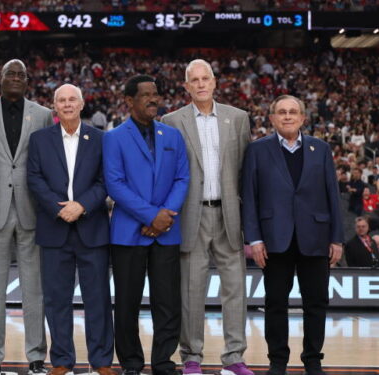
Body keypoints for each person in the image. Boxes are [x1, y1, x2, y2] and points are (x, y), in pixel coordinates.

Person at [160, 59, 253, 375]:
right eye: (193, 80)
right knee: (191, 290)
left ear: (215, 82)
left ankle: (234, 357)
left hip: (229, 215)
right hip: (191, 215)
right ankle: (191, 357)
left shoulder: (238, 119)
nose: (200, 84)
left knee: (235, 289)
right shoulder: (171, 121)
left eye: (205, 78)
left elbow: (244, 172)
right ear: (185, 86)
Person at [242, 95, 343, 375]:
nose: (287, 116)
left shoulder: (320, 149)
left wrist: (336, 238)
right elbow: (250, 197)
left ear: (302, 118)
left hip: (316, 236)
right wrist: (255, 239)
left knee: (317, 302)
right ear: (272, 118)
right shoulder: (257, 150)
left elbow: (333, 195)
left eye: (293, 112)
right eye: (282, 112)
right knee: (275, 302)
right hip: (274, 239)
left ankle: (313, 360)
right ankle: (277, 361)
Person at [103, 75, 190, 375]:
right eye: (146, 95)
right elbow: (115, 184)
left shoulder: (172, 136)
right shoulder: (113, 138)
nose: (154, 99)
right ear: (129, 101)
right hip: (130, 233)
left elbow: (182, 179)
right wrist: (152, 216)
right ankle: (131, 362)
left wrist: (164, 215)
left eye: (156, 94)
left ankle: (164, 362)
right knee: (127, 302)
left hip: (166, 231)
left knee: (168, 303)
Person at [27, 84, 114, 375]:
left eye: (72, 99)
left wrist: (82, 205)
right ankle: (62, 360)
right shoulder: (39, 140)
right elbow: (34, 179)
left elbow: (106, 180)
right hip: (54, 228)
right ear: (54, 105)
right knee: (56, 299)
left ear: (81, 104)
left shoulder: (101, 139)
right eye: (61, 100)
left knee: (98, 298)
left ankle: (101, 361)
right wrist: (58, 208)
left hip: (93, 227)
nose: (67, 104)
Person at [0, 59, 51, 375]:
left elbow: (50, 163)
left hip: (31, 209)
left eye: (21, 75)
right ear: (0, 77)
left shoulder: (43, 114)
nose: (16, 78)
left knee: (34, 289)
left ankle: (36, 354)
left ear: (27, 81)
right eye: (10, 73)